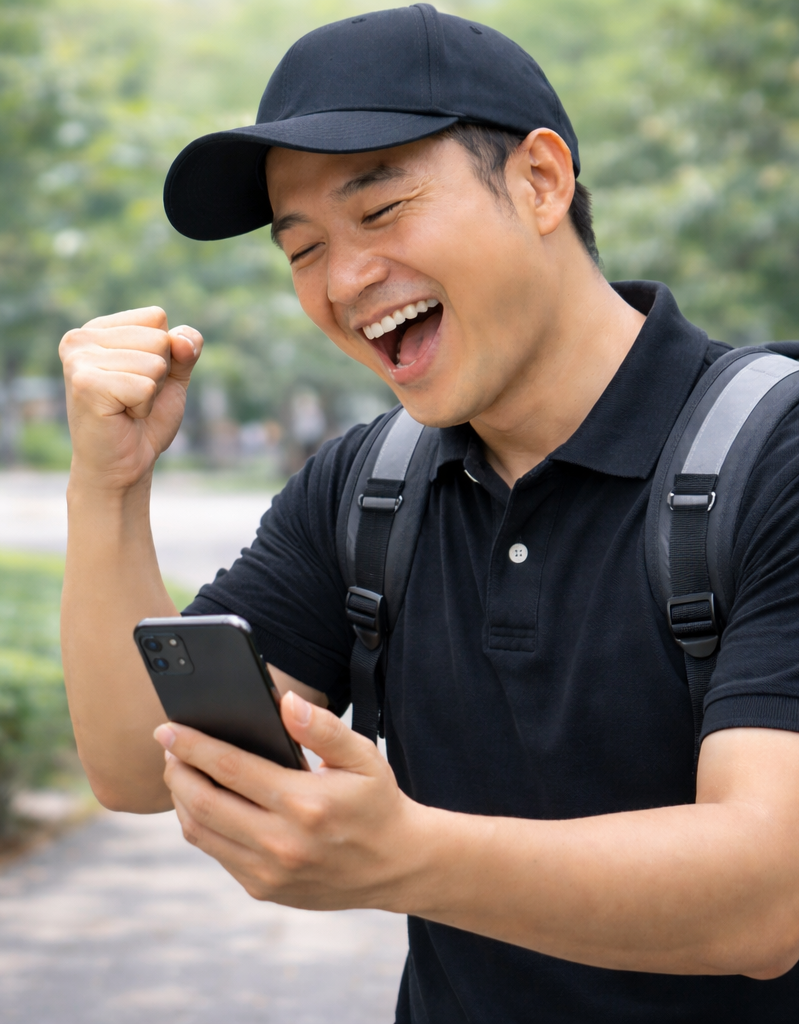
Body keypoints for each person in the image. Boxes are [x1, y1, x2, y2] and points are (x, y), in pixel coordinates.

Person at [58, 5, 799, 1021]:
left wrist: (407, 855)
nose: (345, 280)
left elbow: (769, 896)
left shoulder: (775, 453)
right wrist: (108, 483)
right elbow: (136, 760)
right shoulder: (367, 485)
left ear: (540, 181)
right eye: (302, 247)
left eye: (381, 209)